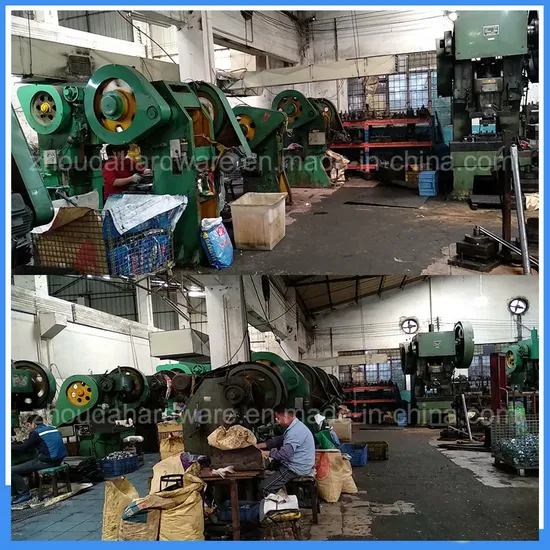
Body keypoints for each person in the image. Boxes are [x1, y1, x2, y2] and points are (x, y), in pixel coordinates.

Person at [256, 405, 315, 497]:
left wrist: (263, 453)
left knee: (264, 488)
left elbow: (285, 453)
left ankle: (278, 504)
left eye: (278, 418)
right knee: (269, 469)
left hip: (295, 468)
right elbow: (280, 440)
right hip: (298, 463)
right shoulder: (295, 426)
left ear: (285, 416)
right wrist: (259, 446)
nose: (277, 421)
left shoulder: (295, 432)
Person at [11, 415, 67, 504]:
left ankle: (24, 494)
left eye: (29, 425)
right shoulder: (53, 429)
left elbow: (23, 448)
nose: (28, 427)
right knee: (36, 456)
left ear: (33, 424)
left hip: (48, 462)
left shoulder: (35, 433)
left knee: (11, 470)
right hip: (59, 460)